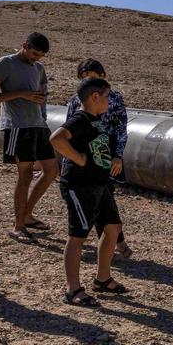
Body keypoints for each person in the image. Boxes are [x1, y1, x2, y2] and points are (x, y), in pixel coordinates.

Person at [49, 77, 127, 307]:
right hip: (80, 184)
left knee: (112, 227)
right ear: (94, 97)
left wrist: (110, 160)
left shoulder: (97, 120)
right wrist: (79, 159)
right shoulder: (80, 119)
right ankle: (73, 289)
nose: (108, 101)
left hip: (99, 184)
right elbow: (56, 138)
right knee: (77, 236)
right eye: (106, 97)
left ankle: (102, 278)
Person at [0, 33, 57, 243]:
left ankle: (27, 214)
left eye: (40, 56)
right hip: (17, 126)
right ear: (24, 45)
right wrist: (21, 94)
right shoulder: (5, 63)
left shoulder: (39, 68)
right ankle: (18, 226)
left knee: (51, 170)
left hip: (38, 124)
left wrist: (41, 108)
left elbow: (41, 92)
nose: (36, 58)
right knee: (24, 174)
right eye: (34, 53)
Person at [66, 58, 132, 259]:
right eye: (84, 78)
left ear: (102, 76)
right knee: (98, 202)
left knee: (106, 197)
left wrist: (118, 155)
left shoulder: (114, 98)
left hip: (107, 154)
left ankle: (115, 242)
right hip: (88, 160)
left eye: (92, 77)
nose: (88, 81)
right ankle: (115, 243)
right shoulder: (76, 101)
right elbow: (67, 130)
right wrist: (77, 158)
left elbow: (121, 128)